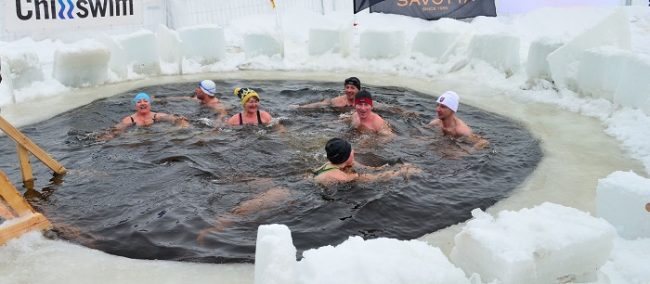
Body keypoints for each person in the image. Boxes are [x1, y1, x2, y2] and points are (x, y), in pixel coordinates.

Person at [313, 138, 420, 185]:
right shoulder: (341, 177)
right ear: (346, 156)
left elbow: (372, 169)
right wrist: (399, 172)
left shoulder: (329, 164)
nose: (354, 151)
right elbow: (374, 178)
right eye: (351, 150)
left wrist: (388, 166)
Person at [98, 92, 188, 140]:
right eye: (139, 101)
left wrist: (182, 126)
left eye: (145, 101)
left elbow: (177, 119)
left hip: (158, 138)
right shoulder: (129, 120)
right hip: (137, 139)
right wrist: (107, 136)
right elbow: (115, 130)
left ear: (149, 104)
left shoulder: (158, 115)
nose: (142, 103)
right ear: (135, 105)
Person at [293, 77, 361, 109]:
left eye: (352, 88)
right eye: (347, 87)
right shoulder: (338, 101)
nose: (349, 90)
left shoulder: (364, 103)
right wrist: (300, 107)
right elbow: (320, 104)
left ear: (359, 90)